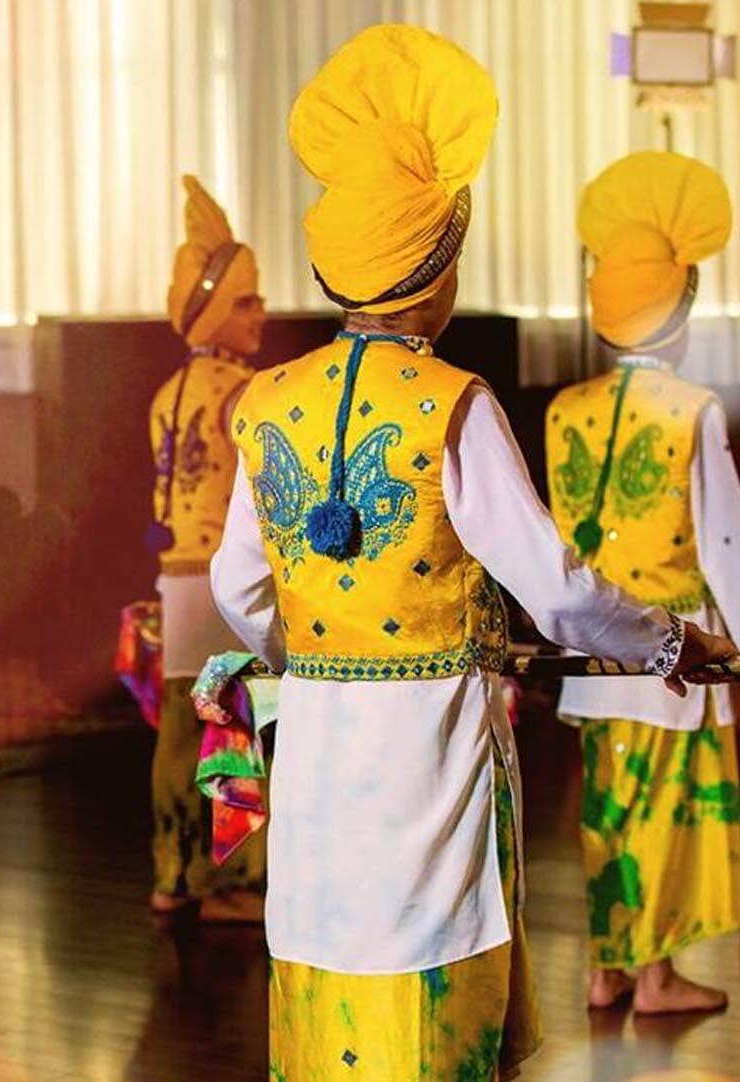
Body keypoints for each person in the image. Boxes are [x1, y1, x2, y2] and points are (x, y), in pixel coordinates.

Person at [210, 24, 736, 1081]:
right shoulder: (454, 402)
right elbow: (556, 590)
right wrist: (669, 642)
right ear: (433, 270)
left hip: (315, 739)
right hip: (430, 740)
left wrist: (313, 654)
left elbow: (236, 583)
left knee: (328, 948)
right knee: (430, 950)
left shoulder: (265, 400)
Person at [546, 150, 740, 1014]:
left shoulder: (564, 409)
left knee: (607, 812)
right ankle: (657, 976)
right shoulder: (693, 410)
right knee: (665, 811)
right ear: (679, 314)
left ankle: (606, 970)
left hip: (590, 650)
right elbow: (726, 541)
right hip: (676, 646)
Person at [148, 175, 267, 922]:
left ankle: (172, 875)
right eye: (247, 303)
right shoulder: (242, 394)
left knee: (177, 729)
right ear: (220, 311)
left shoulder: (166, 394)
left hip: (176, 581)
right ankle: (233, 883)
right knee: (232, 726)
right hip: (226, 585)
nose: (261, 315)